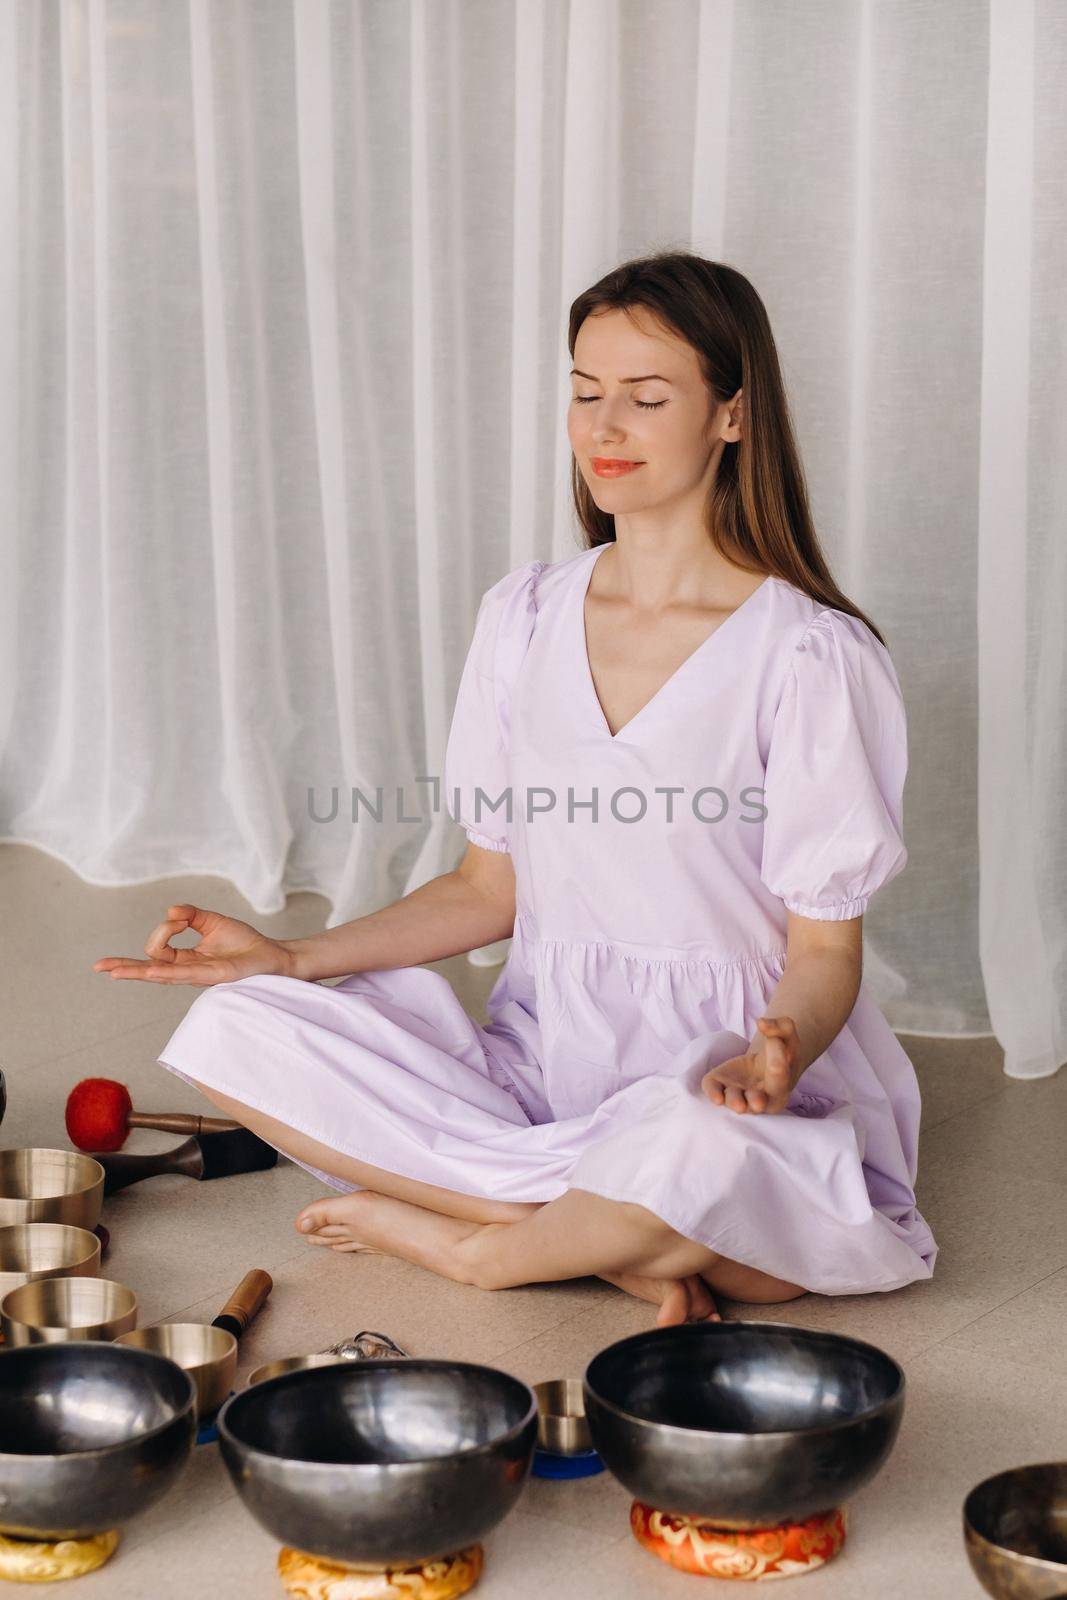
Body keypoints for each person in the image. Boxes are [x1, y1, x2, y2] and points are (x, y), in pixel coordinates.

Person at [93, 252, 937, 1327]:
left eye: (645, 397)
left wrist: (773, 1058)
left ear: (731, 413)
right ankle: (607, 1237)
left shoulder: (810, 656)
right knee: (236, 1024)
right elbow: (484, 890)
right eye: (585, 393)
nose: (603, 429)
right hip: (544, 1070)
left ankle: (480, 1247)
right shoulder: (527, 615)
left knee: (705, 1157)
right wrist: (288, 955)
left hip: (719, 1084)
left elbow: (823, 953)